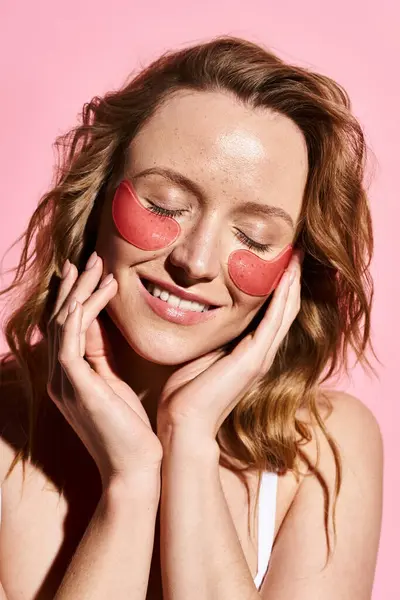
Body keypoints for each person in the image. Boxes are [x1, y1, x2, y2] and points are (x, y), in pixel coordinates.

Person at [0, 35, 383, 599]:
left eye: (254, 236)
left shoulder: (326, 449)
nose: (195, 261)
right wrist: (128, 486)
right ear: (97, 197)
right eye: (162, 204)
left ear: (296, 268)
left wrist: (189, 439)